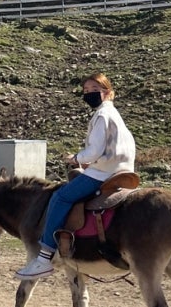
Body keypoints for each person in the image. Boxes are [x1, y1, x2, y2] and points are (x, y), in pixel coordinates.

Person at [16, 72, 136, 279]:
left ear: (107, 93)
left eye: (94, 91)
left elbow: (94, 150)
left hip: (103, 172)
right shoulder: (115, 115)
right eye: (86, 91)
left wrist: (77, 157)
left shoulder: (101, 116)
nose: (89, 94)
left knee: (60, 197)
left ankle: (44, 258)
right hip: (123, 169)